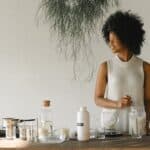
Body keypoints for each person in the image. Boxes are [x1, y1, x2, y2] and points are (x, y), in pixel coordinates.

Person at [94, 10, 150, 134]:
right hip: (112, 129)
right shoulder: (105, 66)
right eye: (109, 40)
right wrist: (117, 104)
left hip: (138, 129)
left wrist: (147, 125)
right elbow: (97, 99)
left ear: (126, 38)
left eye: (114, 40)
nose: (110, 44)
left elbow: (148, 101)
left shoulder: (145, 67)